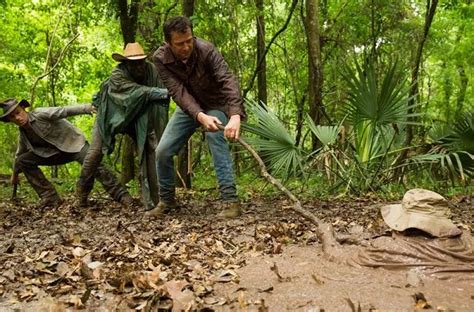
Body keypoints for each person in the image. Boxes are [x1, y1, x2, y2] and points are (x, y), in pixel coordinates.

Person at [150, 16, 245, 218]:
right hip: (188, 107)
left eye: (189, 41)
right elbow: (177, 92)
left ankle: (231, 202)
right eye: (180, 44)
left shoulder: (206, 50)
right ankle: (167, 201)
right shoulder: (160, 58)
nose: (186, 47)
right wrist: (199, 116)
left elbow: (227, 79)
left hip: (216, 103)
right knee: (163, 151)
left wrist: (235, 115)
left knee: (214, 136)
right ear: (168, 43)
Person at [77, 42, 169, 209]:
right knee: (94, 153)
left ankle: (156, 200)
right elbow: (138, 92)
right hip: (110, 115)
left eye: (140, 62)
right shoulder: (117, 75)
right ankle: (81, 195)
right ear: (126, 63)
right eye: (134, 63)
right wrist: (163, 93)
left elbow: (161, 95)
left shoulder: (151, 71)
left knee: (152, 149)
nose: (138, 66)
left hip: (137, 117)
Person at [0, 98, 131, 208]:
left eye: (18, 113)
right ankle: (50, 197)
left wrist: (88, 108)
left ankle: (121, 195)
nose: (17, 118)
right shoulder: (23, 134)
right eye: (12, 117)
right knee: (23, 160)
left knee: (95, 164)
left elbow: (64, 111)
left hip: (74, 145)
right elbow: (19, 155)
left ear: (24, 108)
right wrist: (14, 174)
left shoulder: (40, 113)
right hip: (53, 155)